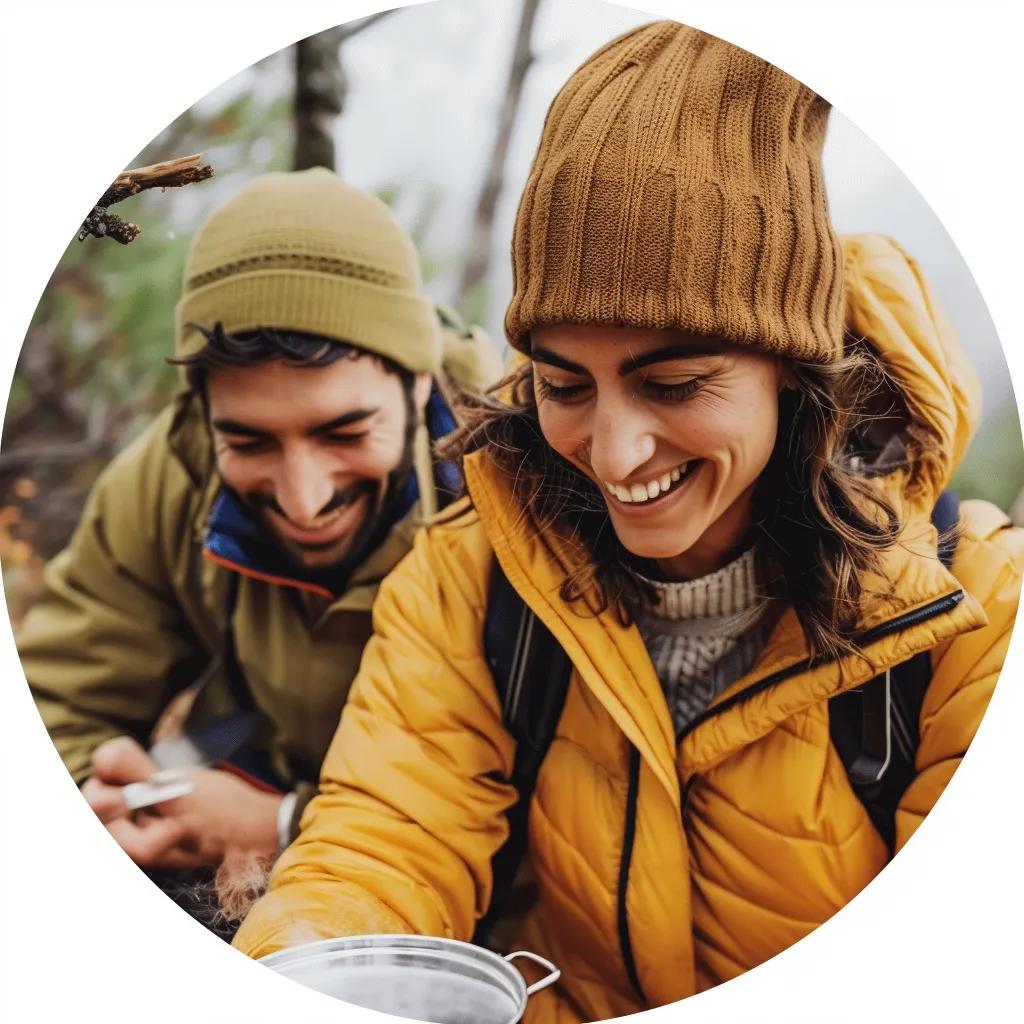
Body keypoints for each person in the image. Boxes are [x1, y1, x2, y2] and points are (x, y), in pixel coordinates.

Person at [232, 22, 1023, 1022]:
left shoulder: (975, 617)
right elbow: (384, 838)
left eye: (676, 383)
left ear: (793, 372)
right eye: (565, 386)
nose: (612, 454)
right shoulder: (470, 578)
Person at [17, 167, 500, 937]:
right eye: (247, 440)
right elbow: (53, 702)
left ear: (418, 383)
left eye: (345, 432)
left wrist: (280, 821)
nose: (304, 498)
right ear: (200, 411)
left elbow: (572, 811)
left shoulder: (517, 483)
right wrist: (102, 798)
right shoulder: (170, 474)